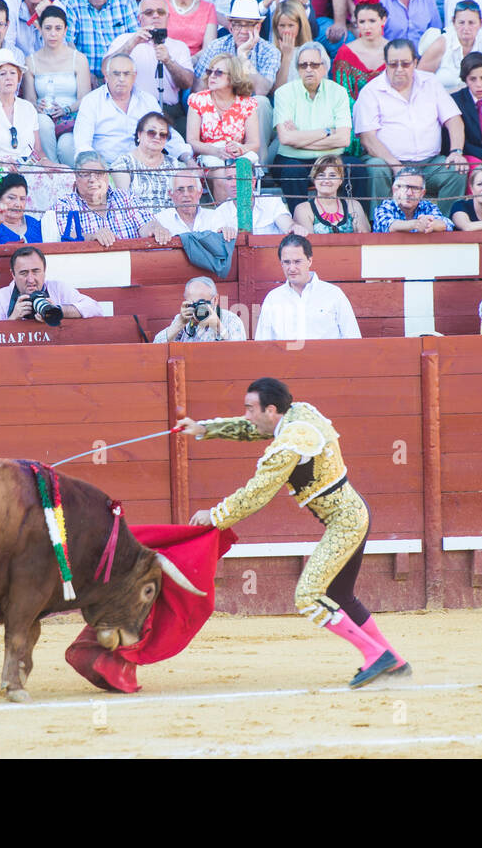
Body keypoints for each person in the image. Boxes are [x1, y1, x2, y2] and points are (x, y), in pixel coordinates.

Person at [176, 376, 407, 688]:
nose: (246, 415)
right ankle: (393, 658)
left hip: (345, 523)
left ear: (271, 410)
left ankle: (375, 655)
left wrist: (214, 515)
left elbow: (257, 494)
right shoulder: (296, 414)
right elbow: (252, 427)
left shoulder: (289, 446)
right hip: (354, 512)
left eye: (249, 408)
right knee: (339, 595)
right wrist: (205, 428)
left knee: (308, 596)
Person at [354, 38, 469, 210]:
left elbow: (454, 120)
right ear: (385, 64)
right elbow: (368, 138)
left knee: (455, 171)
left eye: (405, 63)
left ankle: (446, 227)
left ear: (415, 62)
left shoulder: (431, 83)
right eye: (393, 64)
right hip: (388, 162)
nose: (399, 69)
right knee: (375, 169)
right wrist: (396, 166)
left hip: (429, 163)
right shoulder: (371, 91)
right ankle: (381, 227)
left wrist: (456, 151)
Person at [0, 47, 68, 212]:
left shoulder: (28, 108)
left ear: (19, 78)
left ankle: (53, 228)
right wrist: (1, 163)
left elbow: (38, 151)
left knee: (65, 174)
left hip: (27, 166)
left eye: (12, 73)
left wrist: (47, 163)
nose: (8, 78)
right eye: (2, 74)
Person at [273, 42, 362, 206]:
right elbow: (285, 139)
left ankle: (355, 221)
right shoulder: (283, 93)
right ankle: (298, 223)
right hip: (293, 159)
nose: (308, 69)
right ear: (298, 69)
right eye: (303, 65)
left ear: (324, 67)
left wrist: (299, 139)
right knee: (292, 171)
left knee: (357, 167)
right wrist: (327, 131)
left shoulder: (338, 92)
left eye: (314, 65)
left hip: (331, 158)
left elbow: (343, 140)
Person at [73, 51, 194, 163]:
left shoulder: (147, 100)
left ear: (134, 76)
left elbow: (167, 134)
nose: (121, 79)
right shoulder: (91, 101)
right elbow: (83, 143)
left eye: (126, 74)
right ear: (106, 76)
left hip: (144, 167)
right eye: (116, 74)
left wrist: (187, 158)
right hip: (107, 168)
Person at [107, 0, 195, 127]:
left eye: (161, 12)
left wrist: (168, 61)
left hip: (169, 110)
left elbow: (187, 83)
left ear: (167, 17)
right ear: (139, 18)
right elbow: (106, 69)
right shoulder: (124, 40)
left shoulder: (179, 46)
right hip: (131, 108)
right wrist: (132, 43)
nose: (155, 16)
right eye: (149, 13)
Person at [253, 233, 362, 339]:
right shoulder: (273, 298)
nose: (291, 268)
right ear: (281, 263)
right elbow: (263, 344)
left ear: (309, 261)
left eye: (297, 262)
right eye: (287, 262)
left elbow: (352, 337)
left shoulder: (333, 294)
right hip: (286, 357)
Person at [50, 149, 167, 245]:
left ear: (107, 175)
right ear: (76, 176)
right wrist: (92, 237)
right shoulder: (65, 204)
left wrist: (155, 228)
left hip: (133, 264)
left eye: (98, 173)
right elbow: (68, 235)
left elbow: (146, 224)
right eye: (85, 174)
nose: (92, 179)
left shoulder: (126, 197)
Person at [26, 5, 90, 165]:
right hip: (44, 119)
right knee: (43, 122)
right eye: (48, 28)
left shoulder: (79, 59)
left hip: (71, 119)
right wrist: (37, 106)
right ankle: (52, 172)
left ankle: (75, 182)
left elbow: (85, 98)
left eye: (58, 28)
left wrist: (66, 109)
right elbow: (29, 100)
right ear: (40, 29)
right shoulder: (31, 61)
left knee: (66, 146)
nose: (53, 33)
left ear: (65, 30)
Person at [0, 244, 104, 320]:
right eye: (23, 273)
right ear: (13, 274)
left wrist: (56, 310)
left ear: (44, 271)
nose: (31, 279)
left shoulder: (58, 289)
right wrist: (12, 319)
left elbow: (96, 309)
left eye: (36, 271)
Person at [62, 0, 140, 80]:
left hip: (121, 76)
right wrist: (84, 74)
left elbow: (136, 40)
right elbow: (67, 43)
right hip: (83, 76)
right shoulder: (72, 0)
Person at [192, 0, 281, 97]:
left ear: (257, 27)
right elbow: (197, 88)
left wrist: (243, 57)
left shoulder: (269, 51)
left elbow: (261, 90)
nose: (243, 31)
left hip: (250, 105)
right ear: (230, 27)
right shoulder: (216, 45)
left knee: (262, 102)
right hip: (218, 100)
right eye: (238, 25)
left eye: (248, 25)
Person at [187, 52, 263, 165]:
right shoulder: (197, 100)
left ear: (233, 77)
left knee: (242, 166)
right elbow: (192, 141)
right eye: (209, 71)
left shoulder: (247, 104)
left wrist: (241, 149)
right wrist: (216, 151)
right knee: (218, 168)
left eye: (218, 72)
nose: (212, 76)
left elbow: (254, 143)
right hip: (208, 157)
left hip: (236, 158)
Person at [110, 111, 188, 212]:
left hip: (172, 221)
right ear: (139, 134)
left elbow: (183, 200)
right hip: (138, 221)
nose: (157, 137)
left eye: (163, 134)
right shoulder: (123, 163)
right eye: (152, 132)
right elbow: (124, 203)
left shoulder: (175, 164)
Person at [331, 0, 387, 100]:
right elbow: (342, 97)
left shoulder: (393, 51)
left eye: (372, 21)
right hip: (355, 115)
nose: (367, 27)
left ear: (383, 20)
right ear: (356, 22)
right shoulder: (345, 53)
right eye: (362, 22)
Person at [151, 166, 239, 237]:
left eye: (191, 189)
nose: (186, 194)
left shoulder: (214, 216)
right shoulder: (161, 220)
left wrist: (227, 231)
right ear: (171, 194)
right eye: (180, 190)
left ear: (200, 192)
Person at [154, 275, 248, 341]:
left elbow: (239, 353)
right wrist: (179, 324)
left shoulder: (231, 320)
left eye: (201, 303)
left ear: (215, 300)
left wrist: (218, 327)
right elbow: (156, 347)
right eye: (192, 304)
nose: (197, 309)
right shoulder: (184, 320)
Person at [292, 154, 371, 232]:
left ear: (340, 180)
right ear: (314, 179)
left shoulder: (354, 205)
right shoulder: (303, 209)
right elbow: (307, 242)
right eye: (321, 175)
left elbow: (365, 238)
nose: (326, 180)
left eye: (332, 175)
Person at [370, 165, 453, 231]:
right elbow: (390, 226)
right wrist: (416, 224)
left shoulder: (428, 207)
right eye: (404, 187)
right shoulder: (385, 207)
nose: (409, 193)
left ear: (422, 193)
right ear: (395, 189)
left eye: (415, 188)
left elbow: (447, 224)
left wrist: (430, 224)